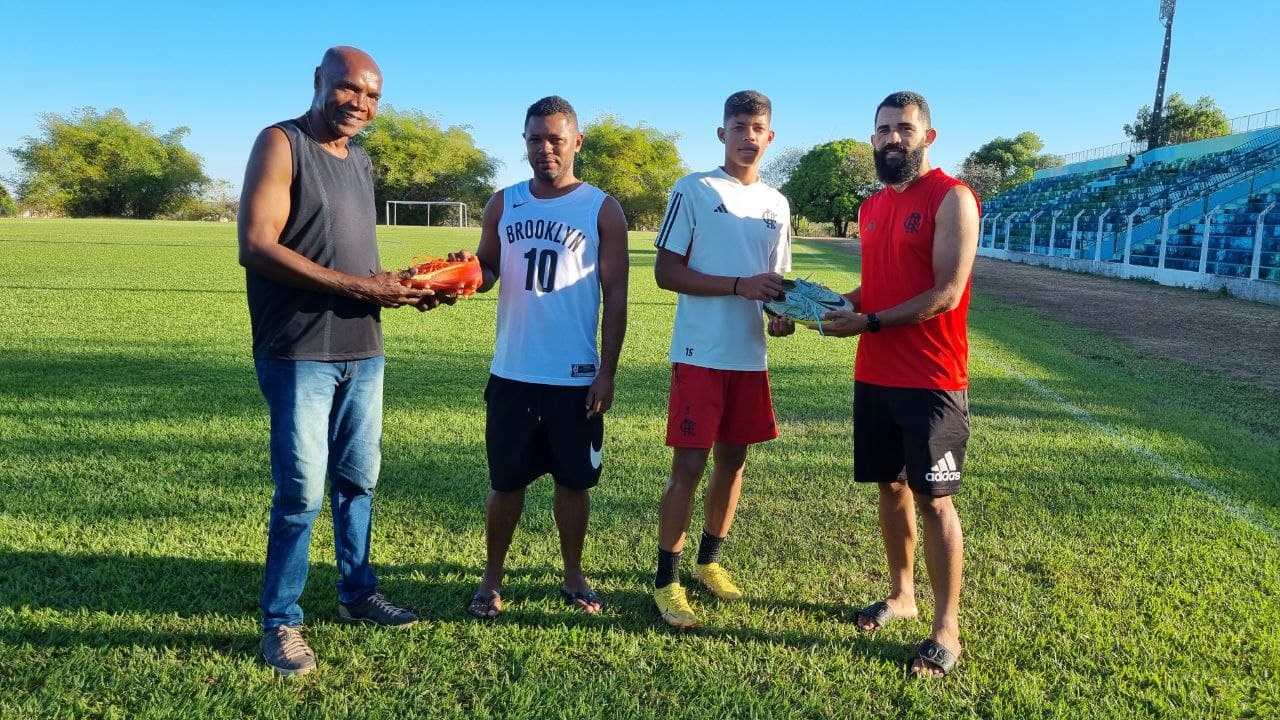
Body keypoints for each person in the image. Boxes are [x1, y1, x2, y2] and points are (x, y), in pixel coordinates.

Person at [238, 46, 443, 676]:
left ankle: (358, 593)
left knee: (359, 481)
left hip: (363, 350)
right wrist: (361, 288)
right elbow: (255, 246)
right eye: (348, 89)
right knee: (301, 491)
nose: (361, 104)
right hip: (299, 349)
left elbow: (355, 261)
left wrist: (402, 287)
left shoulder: (360, 163)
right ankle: (282, 622)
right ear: (318, 82)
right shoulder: (281, 143)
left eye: (373, 95)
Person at [801, 90, 980, 678]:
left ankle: (946, 629)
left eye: (904, 129)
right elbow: (872, 288)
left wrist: (869, 322)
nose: (891, 139)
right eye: (882, 130)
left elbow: (946, 293)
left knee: (935, 501)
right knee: (891, 488)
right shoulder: (871, 207)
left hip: (931, 378)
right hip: (875, 374)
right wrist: (808, 309)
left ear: (928, 137)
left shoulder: (952, 198)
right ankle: (902, 595)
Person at [453, 95, 628, 620]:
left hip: (575, 377)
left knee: (573, 482)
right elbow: (486, 272)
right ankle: (491, 580)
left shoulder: (602, 208)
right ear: (524, 142)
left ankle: (574, 575)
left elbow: (616, 296)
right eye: (535, 138)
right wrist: (464, 272)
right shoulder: (504, 203)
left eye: (556, 138)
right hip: (513, 371)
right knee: (505, 482)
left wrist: (607, 370)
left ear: (577, 141)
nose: (545, 148)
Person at [650, 90, 794, 629]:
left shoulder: (777, 205)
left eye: (757, 127)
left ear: (770, 136)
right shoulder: (693, 190)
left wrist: (781, 317)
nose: (748, 136)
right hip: (700, 353)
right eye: (738, 126)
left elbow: (775, 287)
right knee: (688, 466)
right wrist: (739, 285)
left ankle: (709, 562)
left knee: (733, 463)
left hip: (749, 358)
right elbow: (667, 272)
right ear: (722, 133)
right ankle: (667, 580)